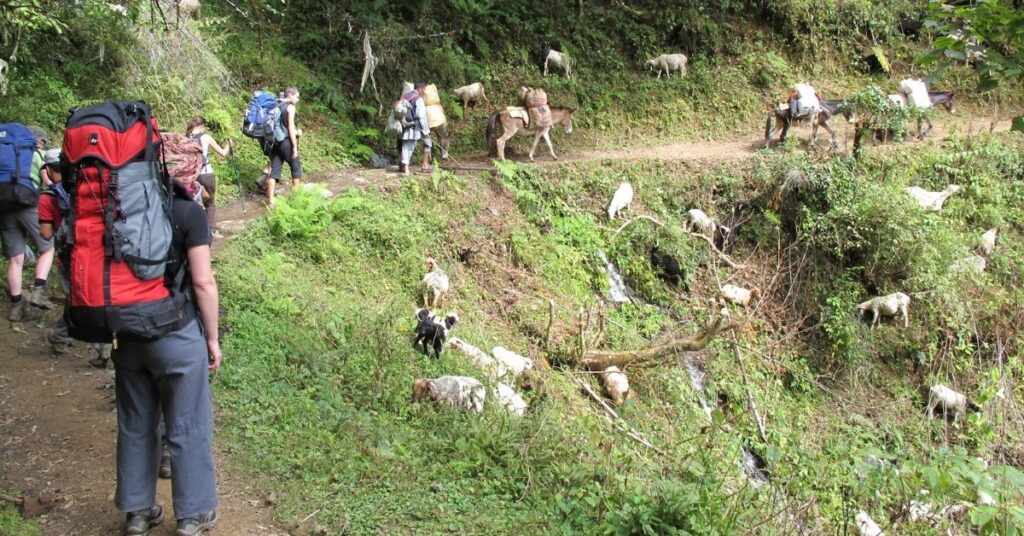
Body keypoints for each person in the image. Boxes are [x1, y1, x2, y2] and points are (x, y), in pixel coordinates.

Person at [113, 149, 221, 536]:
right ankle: (192, 516)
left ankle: (139, 513)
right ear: (188, 174)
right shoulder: (187, 212)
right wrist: (212, 337)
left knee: (136, 423)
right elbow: (203, 282)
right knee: (188, 423)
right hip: (176, 332)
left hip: (126, 335)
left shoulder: (119, 209)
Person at [37, 148, 112, 366]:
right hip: (95, 251)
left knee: (79, 301)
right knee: (95, 297)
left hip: (69, 257)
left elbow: (46, 234)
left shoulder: (47, 197)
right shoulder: (88, 188)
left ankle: (62, 336)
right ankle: (101, 350)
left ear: (49, 170)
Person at [1, 134, 56, 321]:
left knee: (16, 259)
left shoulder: (5, 156)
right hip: (29, 205)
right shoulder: (35, 154)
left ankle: (16, 307)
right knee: (47, 248)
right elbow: (48, 182)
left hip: (4, 207)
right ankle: (38, 291)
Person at [185, 118, 233, 231]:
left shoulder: (185, 138)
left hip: (192, 176)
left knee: (196, 202)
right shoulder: (205, 137)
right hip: (206, 173)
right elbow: (223, 153)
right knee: (210, 203)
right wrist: (229, 145)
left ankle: (197, 228)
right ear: (201, 126)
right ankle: (211, 230)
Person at [266, 87, 303, 209]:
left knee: (275, 170)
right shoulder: (290, 107)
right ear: (290, 95)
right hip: (285, 142)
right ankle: (296, 201)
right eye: (296, 96)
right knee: (296, 169)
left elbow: (279, 125)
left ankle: (271, 201)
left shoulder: (277, 105)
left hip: (274, 142)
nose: (297, 99)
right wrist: (295, 148)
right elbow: (290, 129)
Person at [399, 81, 432, 175]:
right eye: (423, 89)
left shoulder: (405, 96)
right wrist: (425, 131)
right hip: (415, 127)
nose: (423, 92)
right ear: (420, 89)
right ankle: (424, 166)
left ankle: (404, 167)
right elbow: (421, 116)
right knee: (426, 143)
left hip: (404, 125)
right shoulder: (418, 99)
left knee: (405, 146)